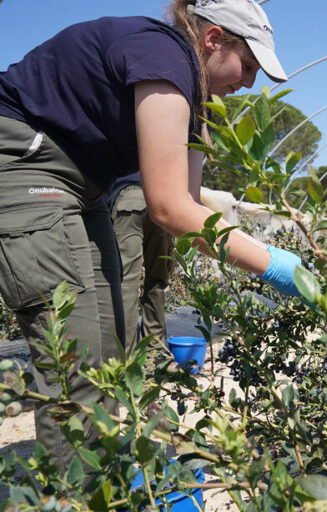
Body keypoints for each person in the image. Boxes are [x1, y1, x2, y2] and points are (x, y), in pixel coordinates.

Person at [0, 0, 303, 474]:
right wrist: (278, 267)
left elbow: (190, 207)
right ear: (212, 39)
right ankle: (77, 496)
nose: (249, 82)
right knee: (74, 356)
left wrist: (272, 256)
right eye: (247, 64)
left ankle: (102, 473)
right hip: (24, 159)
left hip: (85, 185)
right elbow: (166, 207)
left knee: (112, 343)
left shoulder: (195, 103)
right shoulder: (162, 55)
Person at [108, 173, 175, 352]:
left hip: (128, 202)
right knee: (158, 281)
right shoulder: (166, 145)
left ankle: (125, 360)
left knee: (126, 285)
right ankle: (156, 351)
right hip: (161, 200)